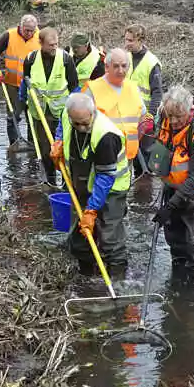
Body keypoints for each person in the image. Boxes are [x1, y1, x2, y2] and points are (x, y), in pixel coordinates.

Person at [50, 93, 130, 276]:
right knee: (80, 235)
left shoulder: (107, 136)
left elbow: (105, 178)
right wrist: (59, 142)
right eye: (76, 123)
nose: (81, 127)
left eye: (85, 123)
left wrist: (92, 210)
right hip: (81, 182)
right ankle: (86, 276)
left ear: (93, 113)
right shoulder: (67, 114)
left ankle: (118, 280)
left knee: (110, 238)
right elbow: (62, 126)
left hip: (112, 189)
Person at [152, 87, 194, 282]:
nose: (173, 121)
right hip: (173, 187)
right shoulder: (166, 119)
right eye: (170, 115)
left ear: (189, 110)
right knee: (175, 239)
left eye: (178, 116)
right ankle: (178, 282)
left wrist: (171, 205)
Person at [21, 27, 79, 185]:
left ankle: (68, 181)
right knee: (45, 149)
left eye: (56, 44)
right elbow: (25, 80)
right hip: (39, 111)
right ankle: (51, 179)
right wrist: (22, 99)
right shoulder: (31, 59)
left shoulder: (66, 59)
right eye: (50, 45)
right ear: (40, 43)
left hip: (61, 112)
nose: (54, 47)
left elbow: (74, 86)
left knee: (64, 147)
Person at [81, 48, 149, 163]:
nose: (121, 70)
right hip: (103, 158)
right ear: (107, 67)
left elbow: (143, 117)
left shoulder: (133, 88)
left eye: (124, 66)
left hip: (128, 159)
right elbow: (81, 124)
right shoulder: (92, 89)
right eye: (116, 66)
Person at [0, 14, 40, 145]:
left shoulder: (41, 37)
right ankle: (15, 143)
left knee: (34, 117)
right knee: (13, 116)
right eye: (26, 30)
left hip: (32, 85)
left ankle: (32, 145)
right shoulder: (9, 35)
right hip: (12, 84)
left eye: (31, 30)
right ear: (20, 26)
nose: (29, 33)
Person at [124, 24, 163, 173]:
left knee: (145, 156)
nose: (127, 44)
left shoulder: (151, 63)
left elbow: (157, 93)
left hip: (145, 117)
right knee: (130, 153)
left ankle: (145, 188)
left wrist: (150, 116)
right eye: (126, 39)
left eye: (131, 41)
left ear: (140, 40)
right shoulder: (126, 58)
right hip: (128, 115)